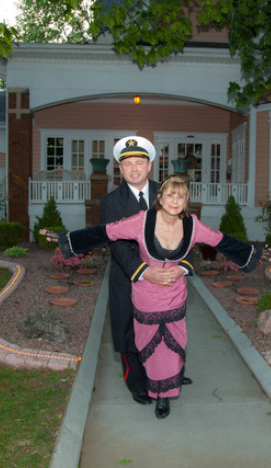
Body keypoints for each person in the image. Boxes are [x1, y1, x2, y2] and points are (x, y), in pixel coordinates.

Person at [41, 175, 262, 419]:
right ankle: (157, 390)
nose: (175, 201)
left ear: (186, 200)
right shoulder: (141, 221)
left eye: (181, 196)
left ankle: (165, 394)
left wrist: (255, 253)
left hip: (175, 294)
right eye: (170, 194)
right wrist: (68, 239)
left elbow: (222, 241)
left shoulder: (193, 224)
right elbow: (107, 232)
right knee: (152, 346)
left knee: (172, 347)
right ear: (160, 197)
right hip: (146, 294)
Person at [100, 136, 194, 407]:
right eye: (127, 163)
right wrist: (144, 272)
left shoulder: (168, 195)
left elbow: (186, 233)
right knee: (129, 333)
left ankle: (171, 374)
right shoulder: (111, 203)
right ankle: (138, 382)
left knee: (169, 329)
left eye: (139, 162)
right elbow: (118, 247)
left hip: (167, 281)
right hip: (128, 279)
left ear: (150, 165)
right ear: (120, 168)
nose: (134, 168)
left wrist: (180, 267)